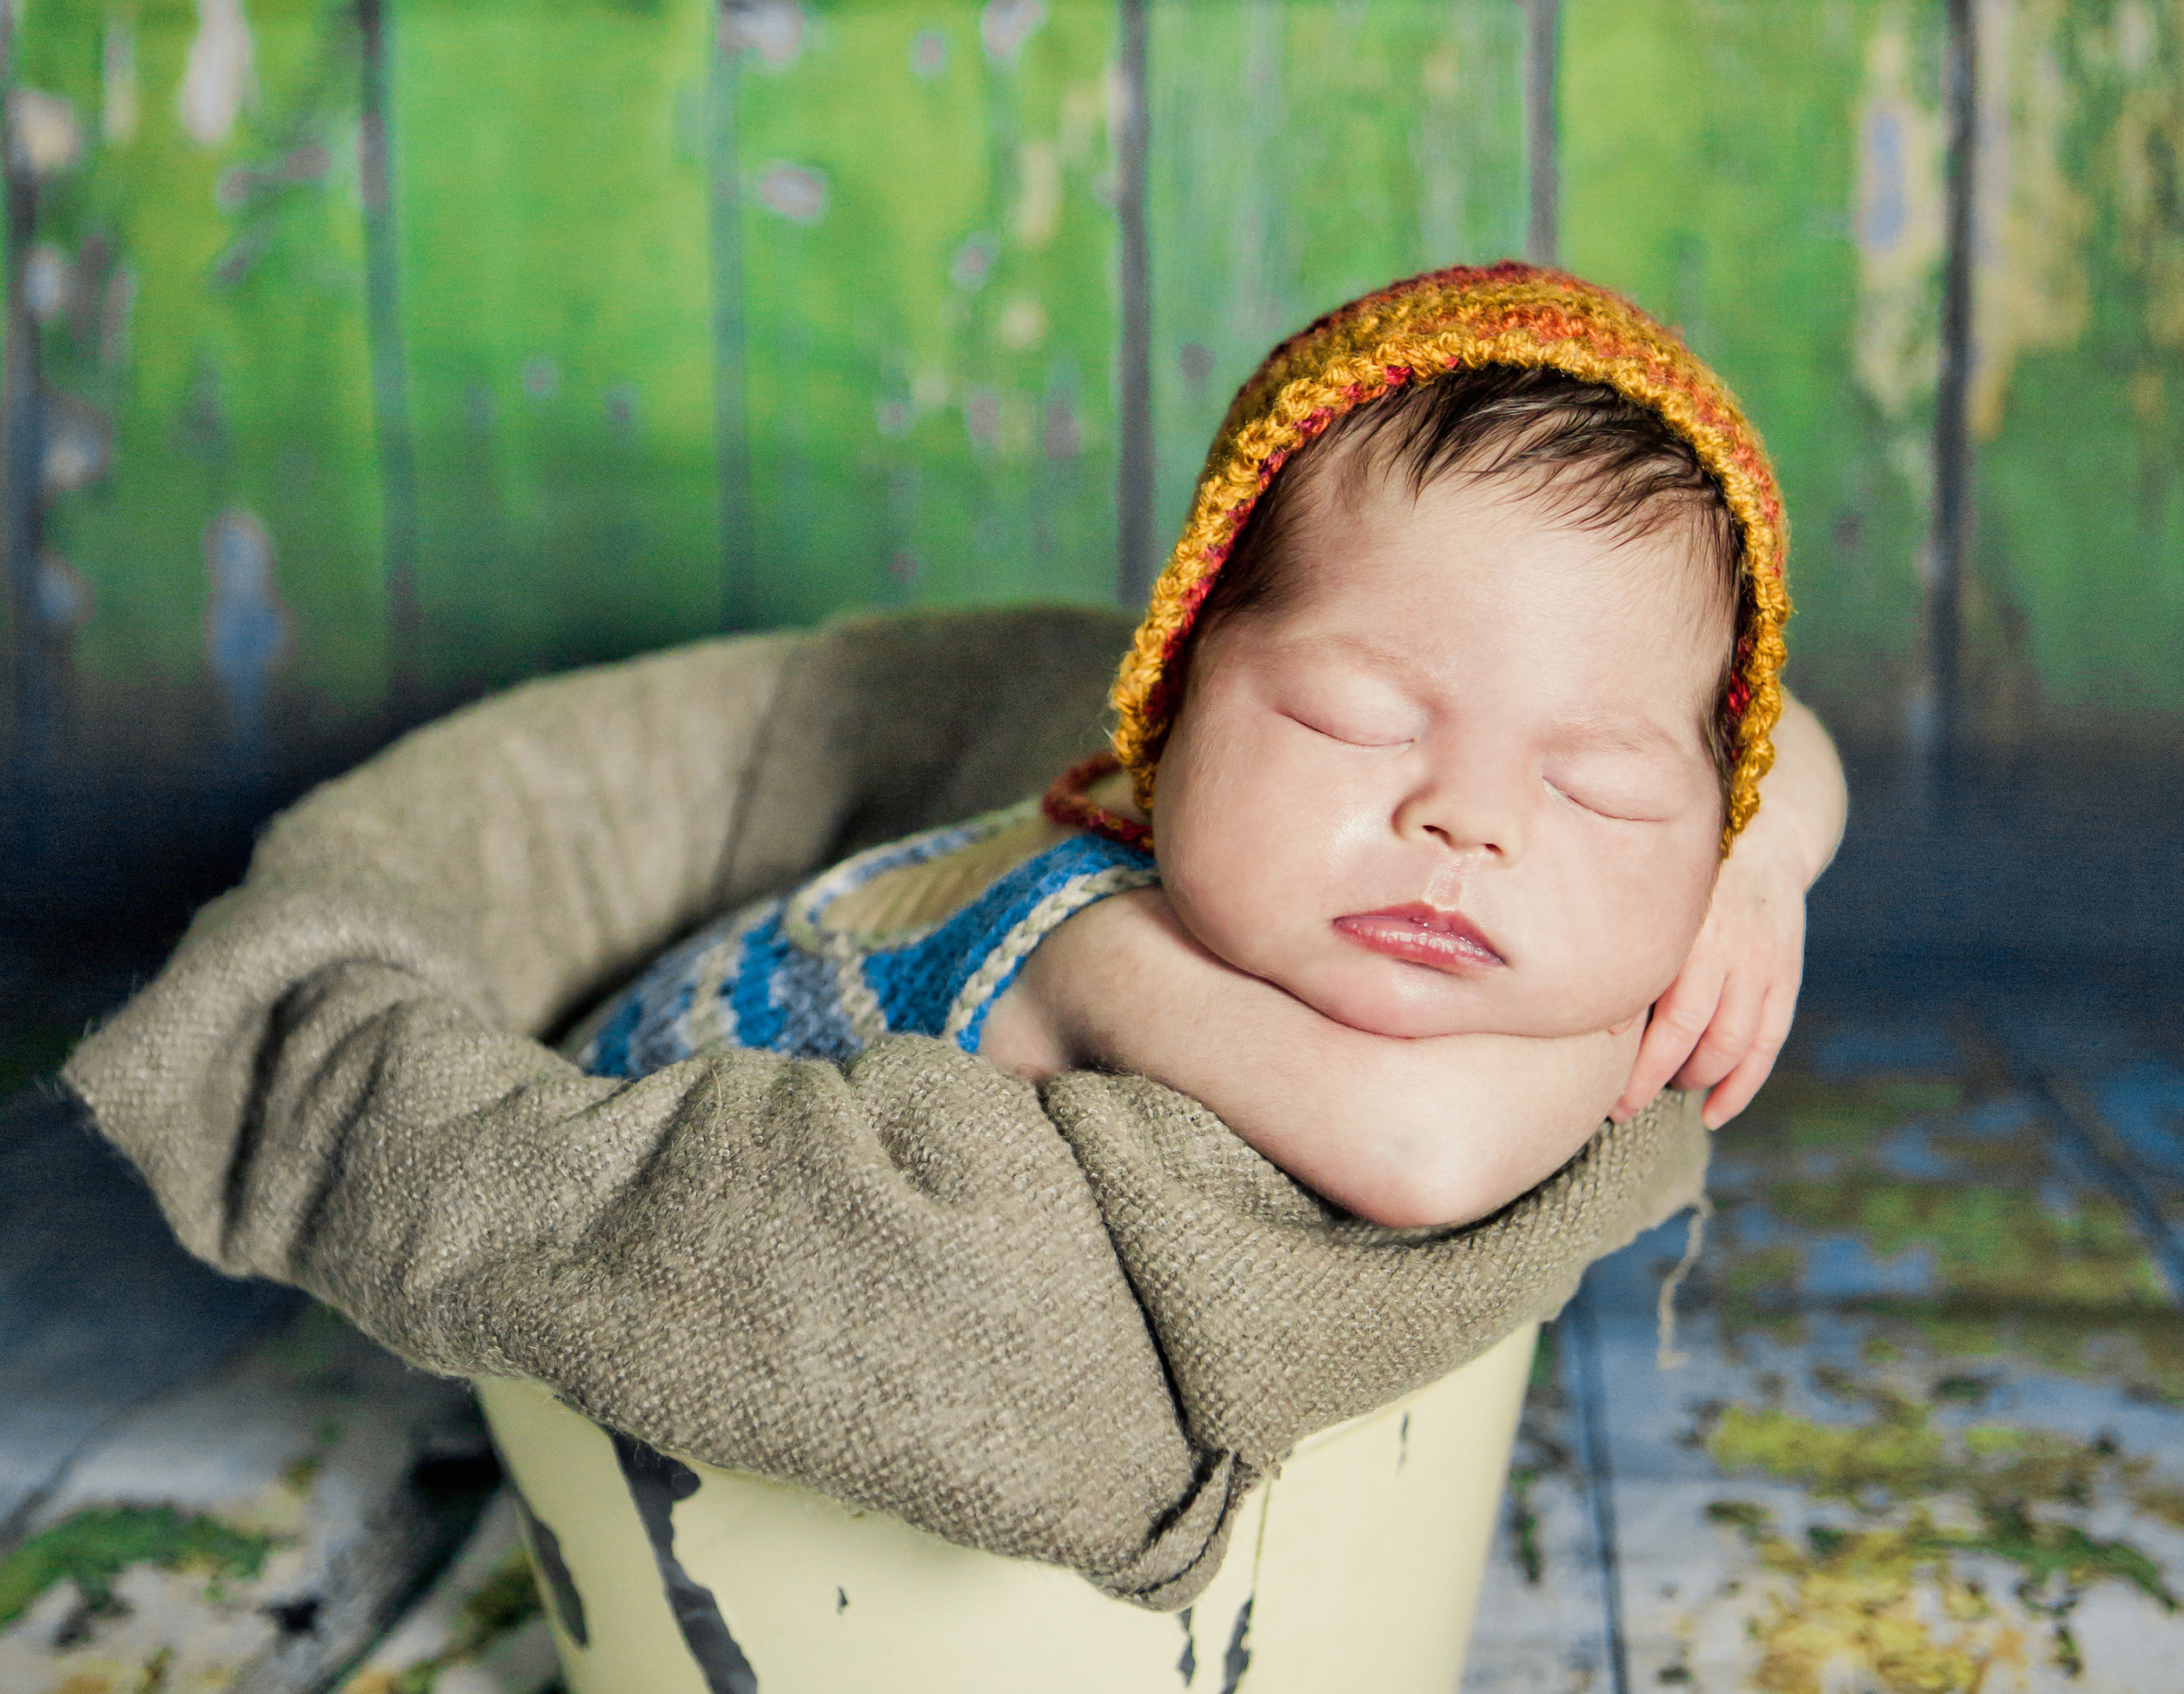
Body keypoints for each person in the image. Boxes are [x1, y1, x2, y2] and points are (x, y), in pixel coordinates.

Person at [584, 263, 1845, 1229]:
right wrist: (1644, 967)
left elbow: (1788, 741)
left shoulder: (1304, 861)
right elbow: (1423, 1154)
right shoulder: (1096, 945)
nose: (1470, 818)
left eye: (1598, 790)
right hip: (623, 1175)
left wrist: (1756, 859)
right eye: (1359, 722)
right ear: (1169, 697)